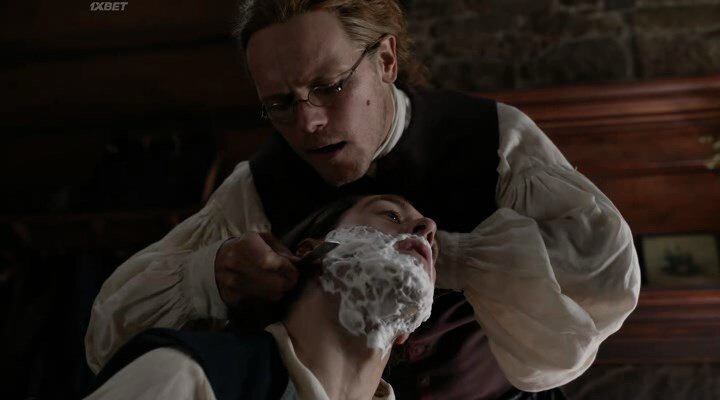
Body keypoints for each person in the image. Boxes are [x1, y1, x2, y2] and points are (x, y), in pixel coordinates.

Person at [85, 1, 641, 398]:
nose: (308, 122)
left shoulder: (491, 139)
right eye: (280, 104)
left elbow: (603, 280)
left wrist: (453, 258)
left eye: (330, 87)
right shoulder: (256, 186)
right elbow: (109, 333)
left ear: (386, 60)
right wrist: (211, 274)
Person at [84, 194, 439, 400]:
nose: (427, 229)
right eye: (391, 214)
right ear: (313, 253)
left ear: (406, 331)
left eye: (430, 245)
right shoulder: (187, 378)